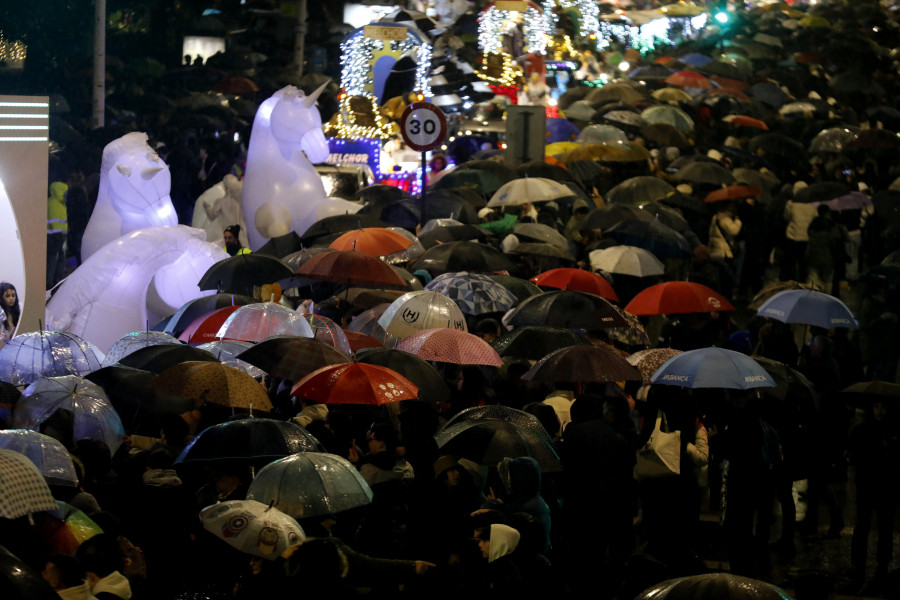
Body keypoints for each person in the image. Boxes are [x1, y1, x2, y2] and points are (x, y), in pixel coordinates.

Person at [47, 181, 69, 289]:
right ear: (60, 193)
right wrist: (60, 238)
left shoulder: (59, 204)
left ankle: (54, 284)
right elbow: (54, 222)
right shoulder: (54, 204)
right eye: (65, 193)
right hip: (55, 239)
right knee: (54, 263)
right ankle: (51, 285)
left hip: (58, 238)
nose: (66, 196)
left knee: (57, 262)